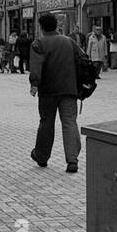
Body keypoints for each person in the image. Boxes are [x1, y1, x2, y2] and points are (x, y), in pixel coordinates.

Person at [28, 11, 82, 174]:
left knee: (46, 123)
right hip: (69, 89)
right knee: (69, 122)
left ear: (41, 27)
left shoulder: (39, 43)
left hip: (48, 91)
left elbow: (36, 66)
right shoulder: (69, 41)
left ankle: (42, 156)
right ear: (56, 26)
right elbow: (82, 60)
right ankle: (72, 160)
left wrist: (34, 84)